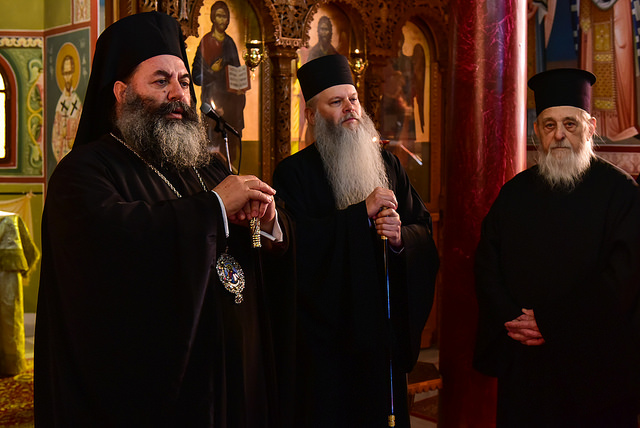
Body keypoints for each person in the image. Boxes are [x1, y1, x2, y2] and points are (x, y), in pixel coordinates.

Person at [34, 12, 295, 427]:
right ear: (121, 92)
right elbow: (113, 249)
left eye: (184, 81)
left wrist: (265, 222)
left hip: (236, 379)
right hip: (162, 395)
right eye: (161, 81)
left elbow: (254, 244)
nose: (178, 93)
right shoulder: (83, 172)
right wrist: (213, 208)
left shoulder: (206, 165)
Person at [272, 54, 439, 428]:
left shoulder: (388, 165)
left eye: (353, 99)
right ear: (312, 115)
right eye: (336, 102)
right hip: (326, 347)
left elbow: (422, 231)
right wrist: (359, 214)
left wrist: (400, 239)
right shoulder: (293, 174)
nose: (350, 108)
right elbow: (294, 248)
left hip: (381, 338)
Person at [474, 68, 640, 427]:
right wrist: (514, 320)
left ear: (590, 128)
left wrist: (552, 322)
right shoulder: (515, 193)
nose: (559, 134)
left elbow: (624, 280)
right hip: (526, 361)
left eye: (570, 124)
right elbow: (487, 264)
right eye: (550, 125)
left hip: (594, 365)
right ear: (537, 131)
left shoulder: (621, 193)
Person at [192, 1, 245, 168]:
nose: (223, 20)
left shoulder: (230, 43)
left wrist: (241, 81)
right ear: (213, 18)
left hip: (230, 104)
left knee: (229, 141)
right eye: (219, 16)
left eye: (225, 17)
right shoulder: (206, 42)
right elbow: (196, 76)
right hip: (211, 104)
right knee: (212, 143)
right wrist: (212, 71)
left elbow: (236, 71)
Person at [52, 53, 82, 162]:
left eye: (69, 73)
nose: (67, 78)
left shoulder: (77, 102)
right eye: (65, 73)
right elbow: (55, 135)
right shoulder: (60, 103)